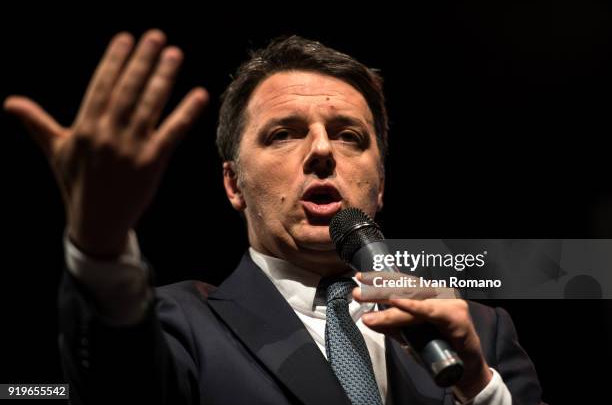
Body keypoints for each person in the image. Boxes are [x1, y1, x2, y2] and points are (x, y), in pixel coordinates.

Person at [4, 30, 544, 405]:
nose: (322, 151)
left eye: (349, 135)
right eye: (283, 132)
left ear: (381, 186)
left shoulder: (480, 333)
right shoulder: (176, 324)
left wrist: (477, 387)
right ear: (233, 184)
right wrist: (100, 240)